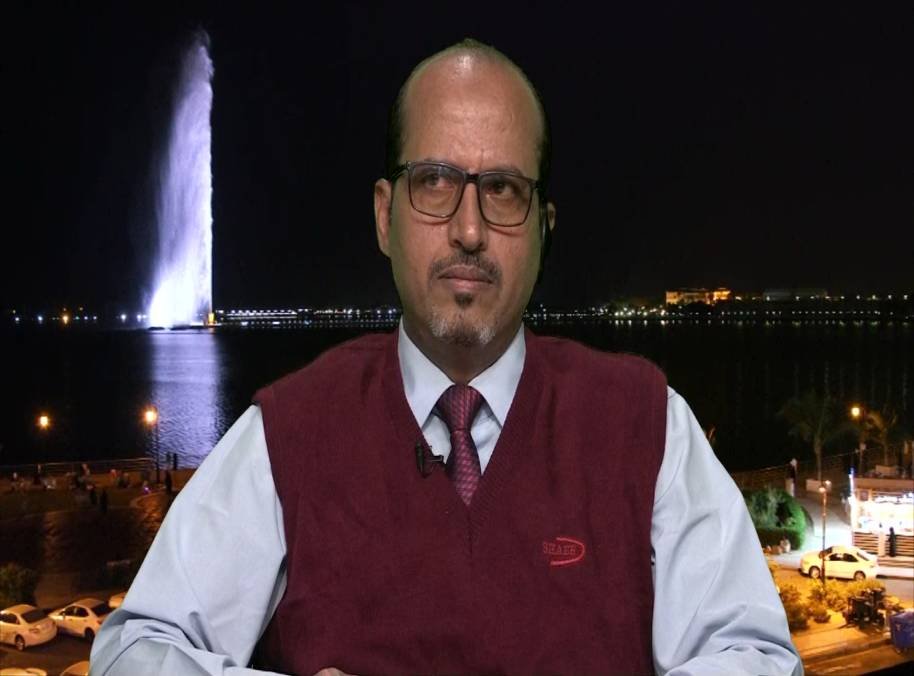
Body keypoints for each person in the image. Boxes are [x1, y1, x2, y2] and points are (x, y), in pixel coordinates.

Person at [91, 39, 800, 675]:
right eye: (434, 181)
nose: (468, 229)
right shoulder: (288, 433)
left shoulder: (646, 427)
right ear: (384, 216)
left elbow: (756, 655)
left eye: (503, 190)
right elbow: (133, 649)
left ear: (544, 229)